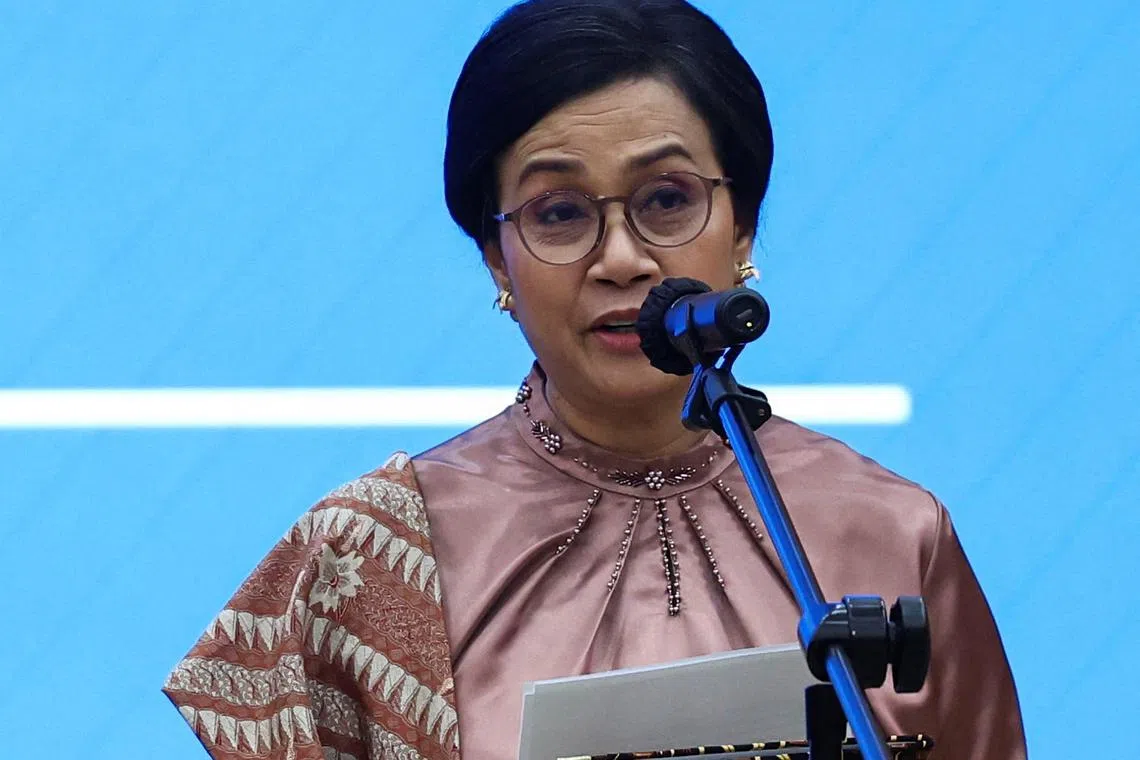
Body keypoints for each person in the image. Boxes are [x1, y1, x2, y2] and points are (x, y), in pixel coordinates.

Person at [163, 1, 1027, 758]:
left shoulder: (892, 532)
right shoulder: (369, 559)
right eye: (560, 213)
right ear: (495, 255)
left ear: (742, 226)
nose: (622, 259)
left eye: (667, 199)